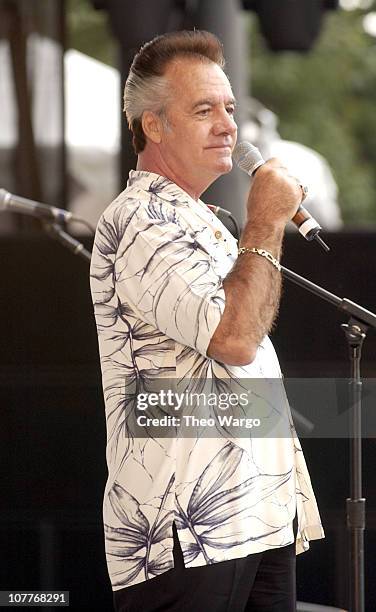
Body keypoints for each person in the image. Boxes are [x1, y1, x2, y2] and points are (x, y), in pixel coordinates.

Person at [90, 30, 324, 612]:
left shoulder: (203, 220)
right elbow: (236, 338)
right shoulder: (143, 220)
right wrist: (266, 219)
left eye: (228, 109)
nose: (227, 125)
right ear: (155, 125)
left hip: (254, 516)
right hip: (189, 528)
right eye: (203, 110)